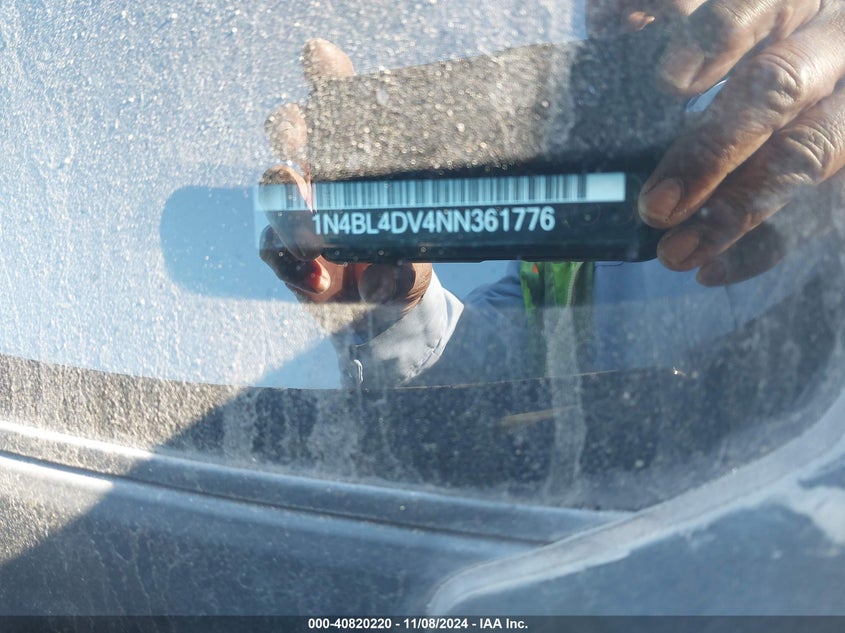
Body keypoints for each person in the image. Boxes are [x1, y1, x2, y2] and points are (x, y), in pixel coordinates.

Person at [260, 0, 845, 387]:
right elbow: (498, 376)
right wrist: (388, 308)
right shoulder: (558, 237)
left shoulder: (816, 130)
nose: (617, 11)